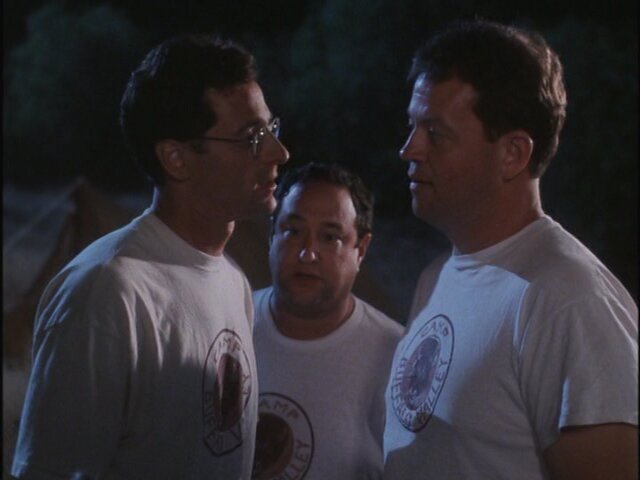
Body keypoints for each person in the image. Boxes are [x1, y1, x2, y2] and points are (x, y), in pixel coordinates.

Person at [12, 33, 289, 479]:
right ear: (176, 158)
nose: (279, 152)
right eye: (252, 137)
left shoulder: (232, 280)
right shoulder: (107, 291)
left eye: (272, 128)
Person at [383, 19, 638, 480]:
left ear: (514, 154)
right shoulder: (437, 276)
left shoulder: (569, 300)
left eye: (435, 133)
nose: (409, 149)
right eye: (412, 126)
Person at [251, 163, 403, 479]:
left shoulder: (396, 358)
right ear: (271, 235)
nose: (307, 254)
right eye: (293, 232)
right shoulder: (229, 319)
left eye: (330, 237)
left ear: (361, 250)